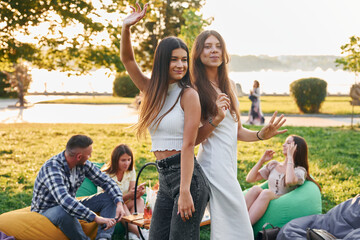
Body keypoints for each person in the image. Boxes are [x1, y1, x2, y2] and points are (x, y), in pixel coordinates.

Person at [120, 3, 210, 240]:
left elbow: (189, 145)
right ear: (162, 61)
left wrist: (184, 191)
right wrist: (126, 27)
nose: (180, 65)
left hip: (187, 181)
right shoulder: (152, 90)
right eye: (174, 60)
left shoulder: (189, 95)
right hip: (164, 177)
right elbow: (128, 60)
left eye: (184, 60)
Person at [190, 30, 287, 239]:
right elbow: (193, 139)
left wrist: (262, 134)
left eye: (218, 45)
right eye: (207, 46)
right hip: (212, 166)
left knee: (229, 227)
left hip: (228, 165)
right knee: (240, 229)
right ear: (198, 53)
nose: (214, 50)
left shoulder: (229, 85)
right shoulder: (194, 89)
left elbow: (237, 131)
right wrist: (214, 118)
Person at [31, 135, 125, 240]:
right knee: (63, 211)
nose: (90, 157)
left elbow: (106, 181)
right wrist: (95, 218)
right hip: (47, 210)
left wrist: (119, 202)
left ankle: (103, 238)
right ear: (79, 156)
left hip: (70, 204)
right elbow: (64, 200)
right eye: (89, 154)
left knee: (109, 197)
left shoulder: (83, 164)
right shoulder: (52, 168)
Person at [244, 135, 321, 225]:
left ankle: (245, 226)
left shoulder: (300, 170)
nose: (283, 145)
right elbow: (250, 179)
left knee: (266, 192)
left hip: (281, 200)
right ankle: (233, 219)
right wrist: (262, 160)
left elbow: (289, 181)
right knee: (255, 189)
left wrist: (290, 157)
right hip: (265, 199)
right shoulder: (274, 165)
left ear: (296, 149)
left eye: (288, 143)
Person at [98, 144, 146, 240]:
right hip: (109, 205)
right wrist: (129, 195)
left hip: (124, 203)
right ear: (115, 160)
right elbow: (109, 199)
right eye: (123, 160)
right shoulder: (105, 174)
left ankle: (132, 234)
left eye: (129, 159)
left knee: (139, 200)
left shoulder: (130, 171)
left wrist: (138, 193)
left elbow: (131, 193)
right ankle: (140, 233)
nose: (126, 163)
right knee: (121, 204)